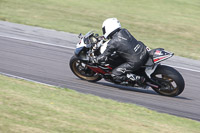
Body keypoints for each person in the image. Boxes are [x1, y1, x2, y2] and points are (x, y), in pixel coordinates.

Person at [97, 18, 148, 84]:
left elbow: (104, 56)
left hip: (136, 61)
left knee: (115, 74)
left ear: (109, 27)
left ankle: (139, 79)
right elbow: (125, 44)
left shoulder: (113, 42)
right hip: (142, 50)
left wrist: (97, 59)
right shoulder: (124, 31)